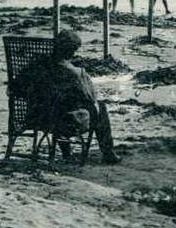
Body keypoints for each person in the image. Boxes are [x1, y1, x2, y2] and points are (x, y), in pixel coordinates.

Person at [28, 30, 121, 165]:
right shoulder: (75, 73)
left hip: (36, 117)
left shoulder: (37, 66)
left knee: (62, 105)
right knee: (99, 106)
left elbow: (15, 88)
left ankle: (67, 153)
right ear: (71, 51)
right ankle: (108, 152)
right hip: (63, 124)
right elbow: (91, 98)